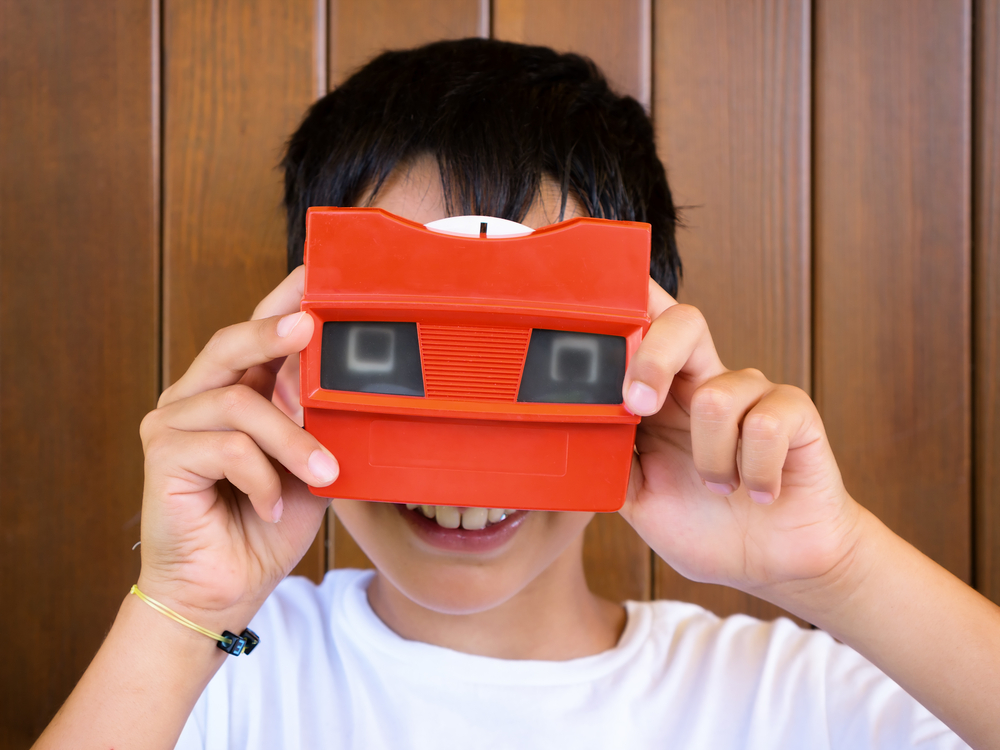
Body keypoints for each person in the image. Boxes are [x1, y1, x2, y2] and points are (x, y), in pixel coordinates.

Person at [34, 39, 999, 750]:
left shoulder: (797, 699)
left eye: (544, 354)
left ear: (647, 369)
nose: (466, 429)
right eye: (389, 348)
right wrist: (180, 606)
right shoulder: (211, 679)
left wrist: (836, 567)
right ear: (292, 363)